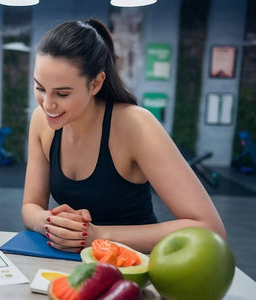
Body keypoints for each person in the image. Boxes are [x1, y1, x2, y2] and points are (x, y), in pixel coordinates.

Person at [22, 19, 226, 253]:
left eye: (62, 93)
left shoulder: (136, 125)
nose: (48, 104)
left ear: (96, 83)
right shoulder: (41, 120)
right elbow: (30, 207)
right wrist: (51, 223)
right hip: (76, 266)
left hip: (139, 266)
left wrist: (99, 236)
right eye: (39, 88)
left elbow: (210, 230)